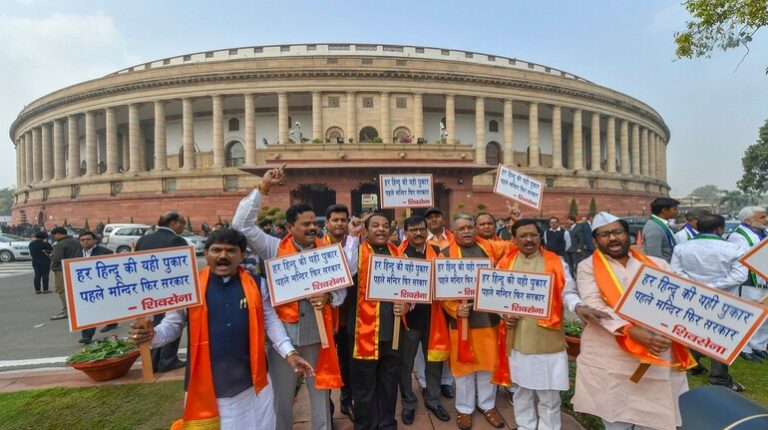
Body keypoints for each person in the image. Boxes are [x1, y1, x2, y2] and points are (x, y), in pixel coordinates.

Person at [128, 228, 314, 429]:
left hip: (252, 385)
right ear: (206, 253)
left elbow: (271, 322)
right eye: (216, 250)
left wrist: (290, 353)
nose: (223, 256)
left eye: (231, 250)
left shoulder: (257, 284)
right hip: (206, 385)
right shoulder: (190, 287)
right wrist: (151, 336)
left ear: (242, 255)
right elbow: (171, 327)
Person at [232, 166, 358, 430]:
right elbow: (241, 225)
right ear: (290, 227)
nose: (313, 228)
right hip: (284, 341)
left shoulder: (328, 251)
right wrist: (263, 188)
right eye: (306, 224)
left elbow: (342, 288)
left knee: (321, 394)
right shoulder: (274, 247)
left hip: (319, 338)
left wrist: (328, 297)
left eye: (315, 223)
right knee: (282, 399)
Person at [574, 212, 693, 430]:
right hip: (610, 352)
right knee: (615, 413)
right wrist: (631, 331)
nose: (612, 238)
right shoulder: (587, 267)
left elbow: (680, 300)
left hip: (657, 348)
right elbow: (595, 306)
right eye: (604, 234)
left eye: (617, 232)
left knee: (655, 415)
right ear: (595, 240)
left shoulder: (657, 264)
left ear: (628, 235)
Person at [498, 219, 570, 430]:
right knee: (521, 391)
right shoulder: (505, 263)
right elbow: (495, 295)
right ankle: (526, 426)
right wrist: (504, 314)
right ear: (514, 239)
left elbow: (568, 291)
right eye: (523, 236)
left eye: (533, 235)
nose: (529, 239)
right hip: (517, 340)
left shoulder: (556, 262)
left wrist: (579, 306)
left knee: (549, 394)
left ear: (540, 237)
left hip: (548, 339)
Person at [441, 214, 511, 430]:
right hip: (461, 321)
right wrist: (454, 309)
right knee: (464, 367)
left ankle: (487, 405)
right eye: (461, 228)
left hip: (488, 318)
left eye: (470, 227)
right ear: (454, 231)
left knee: (488, 365)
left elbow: (517, 246)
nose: (467, 231)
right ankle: (464, 409)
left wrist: (514, 223)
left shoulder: (489, 248)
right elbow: (441, 291)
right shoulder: (445, 255)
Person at [671, 213, 747, 390]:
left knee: (696, 331)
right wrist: (712, 287)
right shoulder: (733, 249)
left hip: (693, 297)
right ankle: (719, 379)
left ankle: (691, 362)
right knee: (721, 337)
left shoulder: (682, 248)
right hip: (724, 300)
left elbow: (675, 272)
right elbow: (739, 276)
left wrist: (698, 288)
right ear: (720, 229)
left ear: (697, 227)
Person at [350, 211, 409, 429]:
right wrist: (351, 237)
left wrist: (407, 304)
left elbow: (411, 290)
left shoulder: (400, 256)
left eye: (385, 225)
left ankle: (386, 424)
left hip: (393, 332)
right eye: (375, 225)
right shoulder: (355, 254)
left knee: (389, 383)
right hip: (362, 333)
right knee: (364, 388)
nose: (382, 229)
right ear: (366, 230)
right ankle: (365, 426)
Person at [397, 215, 451, 424]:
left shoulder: (438, 253)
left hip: (433, 318)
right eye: (413, 230)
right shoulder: (398, 254)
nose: (418, 233)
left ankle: (433, 399)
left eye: (421, 229)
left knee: (434, 362)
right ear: (406, 232)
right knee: (405, 363)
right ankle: (408, 403)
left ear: (426, 231)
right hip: (407, 320)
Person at [134, 211, 189, 372]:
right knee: (173, 322)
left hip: (149, 288)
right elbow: (182, 266)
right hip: (171, 289)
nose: (183, 227)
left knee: (157, 322)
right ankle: (167, 360)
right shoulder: (177, 240)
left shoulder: (144, 239)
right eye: (182, 223)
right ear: (173, 223)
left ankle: (154, 360)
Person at [323, 203, 358, 421]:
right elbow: (341, 268)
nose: (339, 223)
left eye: (343, 220)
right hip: (324, 318)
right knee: (324, 365)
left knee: (348, 363)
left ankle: (347, 402)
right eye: (334, 220)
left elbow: (350, 270)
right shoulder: (317, 247)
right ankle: (325, 409)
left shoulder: (354, 243)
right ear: (326, 223)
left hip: (347, 317)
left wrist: (353, 238)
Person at [727, 206, 768, 362]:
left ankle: (759, 345)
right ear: (748, 220)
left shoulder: (763, 232)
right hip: (750, 279)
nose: (765, 220)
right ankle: (744, 347)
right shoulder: (738, 235)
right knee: (749, 314)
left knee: (765, 315)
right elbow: (743, 257)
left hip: (764, 276)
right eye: (761, 217)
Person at [76, 231, 118, 344]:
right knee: (89, 309)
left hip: (103, 285)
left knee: (106, 306)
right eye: (82, 240)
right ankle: (87, 336)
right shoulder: (76, 253)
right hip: (86, 286)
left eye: (88, 239)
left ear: (94, 240)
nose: (85, 241)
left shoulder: (105, 252)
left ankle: (112, 322)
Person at [49, 226, 80, 320]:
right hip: (75, 268)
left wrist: (52, 263)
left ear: (58, 234)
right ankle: (75, 309)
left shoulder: (60, 244)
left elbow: (57, 258)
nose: (54, 237)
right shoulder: (76, 241)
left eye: (54, 235)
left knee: (61, 289)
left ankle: (66, 310)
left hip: (61, 269)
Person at [642, 197, 680, 262]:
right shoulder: (654, 228)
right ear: (664, 210)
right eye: (675, 209)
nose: (677, 212)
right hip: (664, 268)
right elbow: (655, 257)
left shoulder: (661, 224)